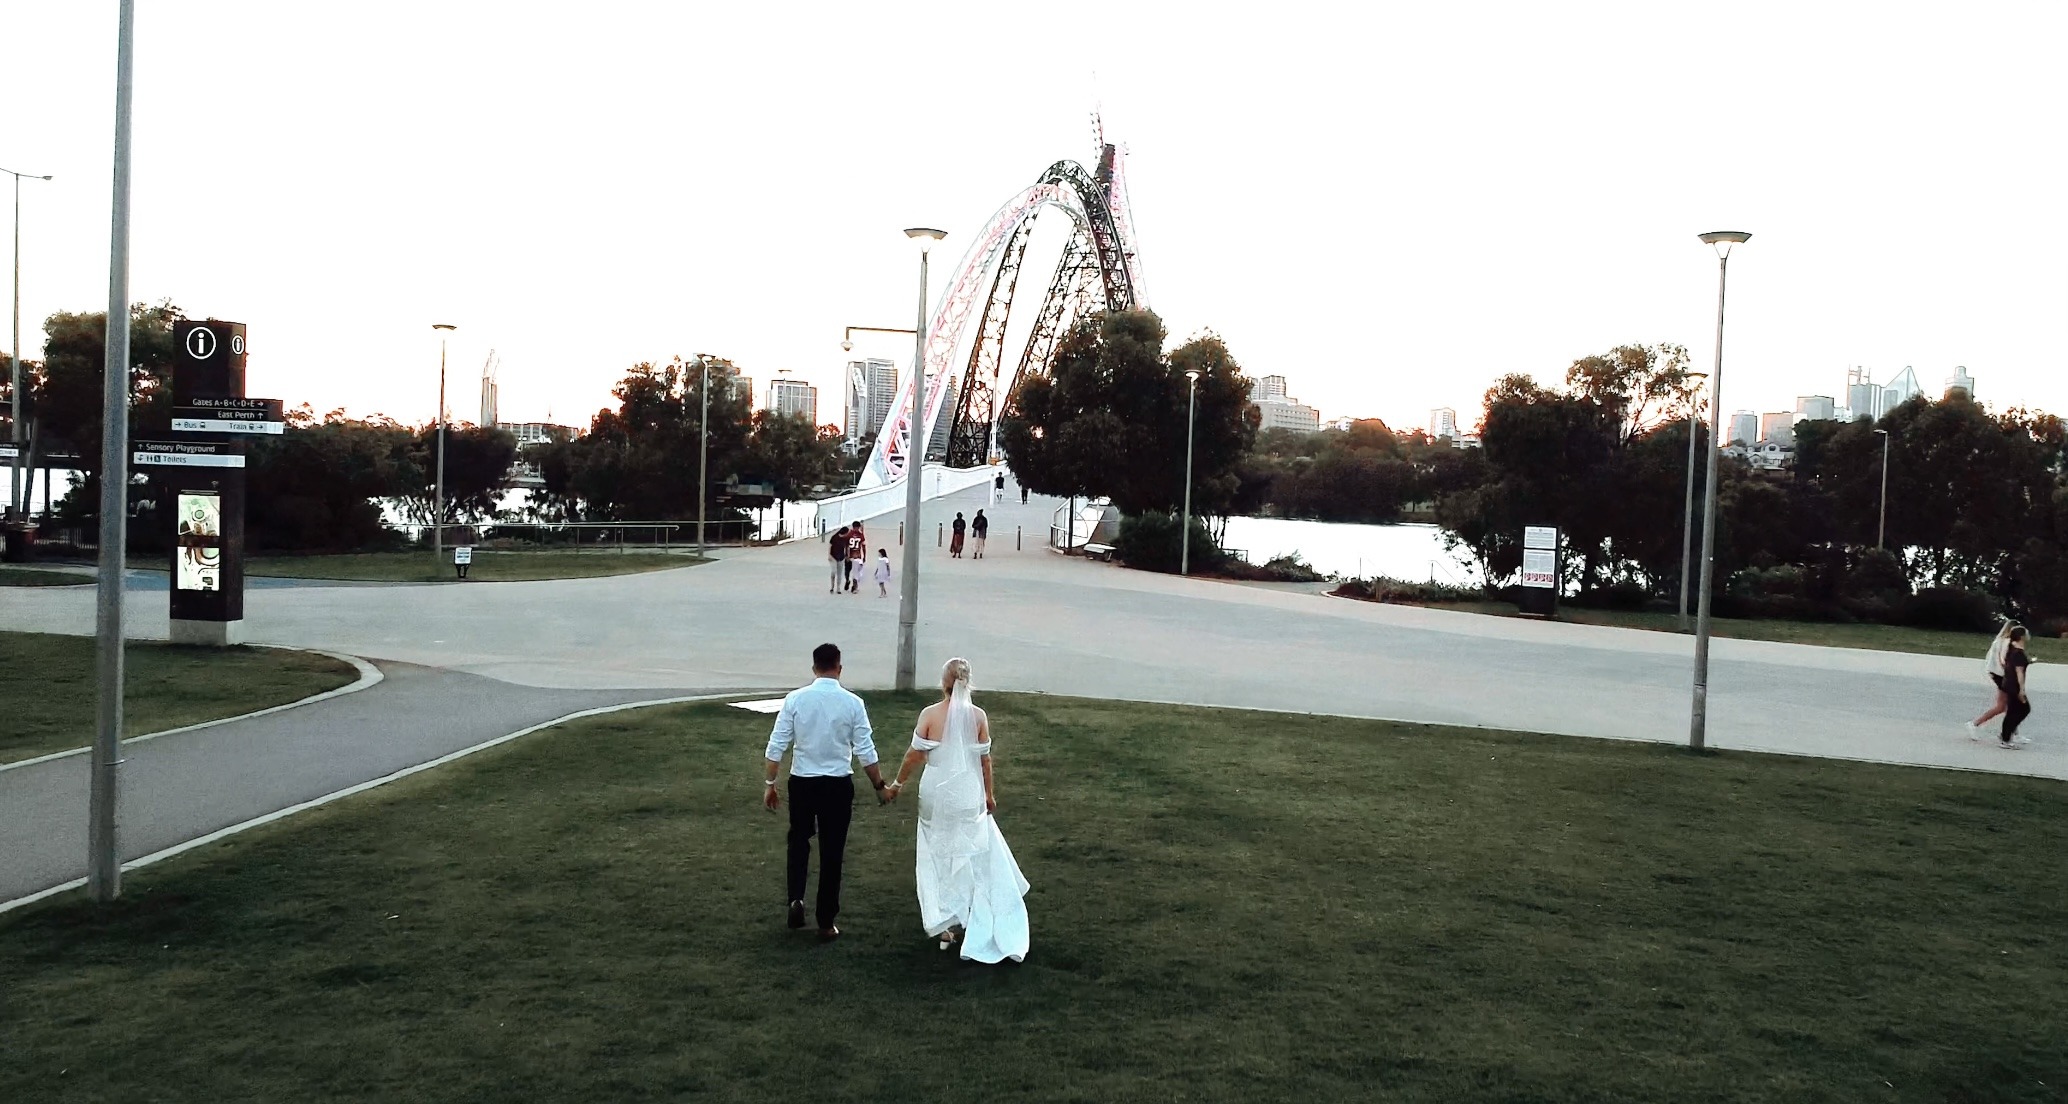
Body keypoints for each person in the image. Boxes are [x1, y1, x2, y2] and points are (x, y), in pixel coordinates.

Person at [885, 657, 1029, 963]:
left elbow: (914, 755)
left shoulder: (930, 714)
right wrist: (988, 794)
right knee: (969, 852)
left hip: (936, 792)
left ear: (944, 683)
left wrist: (897, 783)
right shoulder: (978, 716)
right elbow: (984, 760)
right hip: (967, 792)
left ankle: (946, 923)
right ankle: (970, 914)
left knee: (937, 853)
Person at [763, 643, 890, 939]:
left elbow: (776, 746)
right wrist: (879, 785)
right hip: (837, 784)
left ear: (814, 668)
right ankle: (825, 921)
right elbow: (866, 751)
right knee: (832, 850)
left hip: (802, 781)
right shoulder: (853, 703)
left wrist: (770, 784)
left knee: (798, 840)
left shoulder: (795, 699)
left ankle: (796, 897)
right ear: (839, 668)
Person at [1966, 619, 2018, 737]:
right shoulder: (2008, 643)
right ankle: (1975, 724)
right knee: (2002, 706)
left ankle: (2012, 733)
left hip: (1996, 673)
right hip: (2003, 675)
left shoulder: (1998, 641)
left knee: (2007, 706)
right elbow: (2004, 660)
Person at [1999, 626, 2034, 750]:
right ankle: (2006, 737)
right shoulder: (2018, 653)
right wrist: (2021, 690)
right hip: (2014, 686)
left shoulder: (2012, 649)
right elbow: (2019, 673)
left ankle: (2006, 735)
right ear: (2022, 637)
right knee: (2024, 709)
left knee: (2012, 711)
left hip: (2008, 684)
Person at [846, 523, 867, 593]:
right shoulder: (860, 535)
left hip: (851, 556)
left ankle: (851, 582)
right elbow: (864, 547)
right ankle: (855, 587)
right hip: (857, 556)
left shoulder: (849, 534)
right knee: (857, 572)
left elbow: (846, 546)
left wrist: (847, 555)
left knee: (851, 571)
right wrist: (864, 556)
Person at [829, 526, 850, 594]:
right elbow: (830, 546)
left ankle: (838, 588)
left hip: (841, 557)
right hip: (833, 556)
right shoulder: (834, 537)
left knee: (839, 573)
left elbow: (847, 547)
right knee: (833, 571)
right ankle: (832, 586)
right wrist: (829, 555)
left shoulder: (846, 539)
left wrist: (847, 556)